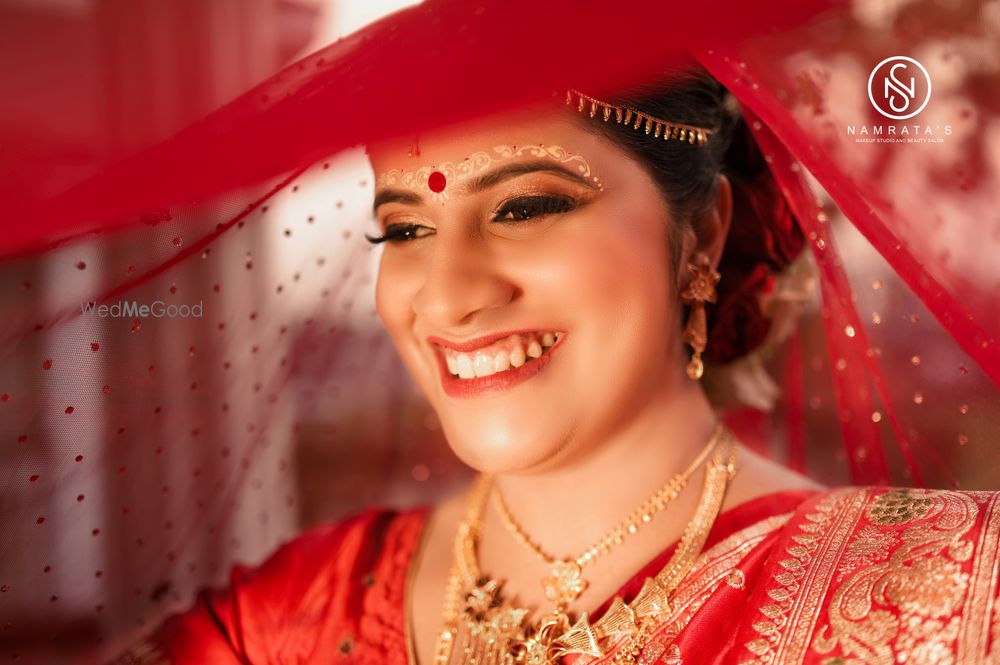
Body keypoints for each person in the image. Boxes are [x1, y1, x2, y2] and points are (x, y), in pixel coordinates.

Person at [110, 68, 1000, 665]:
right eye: (406, 230)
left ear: (702, 233)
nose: (448, 294)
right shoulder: (278, 622)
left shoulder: (953, 591)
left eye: (528, 205)